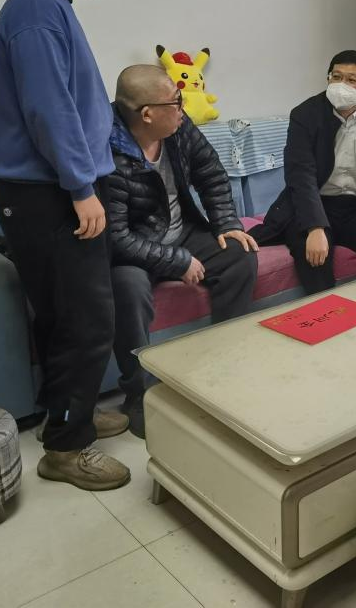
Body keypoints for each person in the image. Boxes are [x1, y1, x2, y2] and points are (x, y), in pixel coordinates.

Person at [0, 0, 130, 491]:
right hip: (51, 193)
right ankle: (68, 449)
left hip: (46, 190)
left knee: (62, 315)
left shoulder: (44, 6)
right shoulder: (38, 10)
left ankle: (68, 413)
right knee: (88, 320)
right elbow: (49, 110)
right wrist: (81, 186)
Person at [106, 65, 259, 438]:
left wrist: (226, 223)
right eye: (175, 102)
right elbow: (115, 237)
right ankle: (139, 394)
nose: (183, 107)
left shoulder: (176, 125)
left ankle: (222, 368)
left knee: (239, 255)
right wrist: (176, 262)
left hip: (184, 229)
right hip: (133, 247)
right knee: (127, 289)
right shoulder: (104, 149)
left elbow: (210, 172)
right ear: (147, 114)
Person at [251, 50, 356, 294]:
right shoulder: (305, 114)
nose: (341, 85)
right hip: (313, 205)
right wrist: (315, 227)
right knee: (313, 255)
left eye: (351, 80)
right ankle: (326, 314)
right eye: (336, 77)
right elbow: (301, 176)